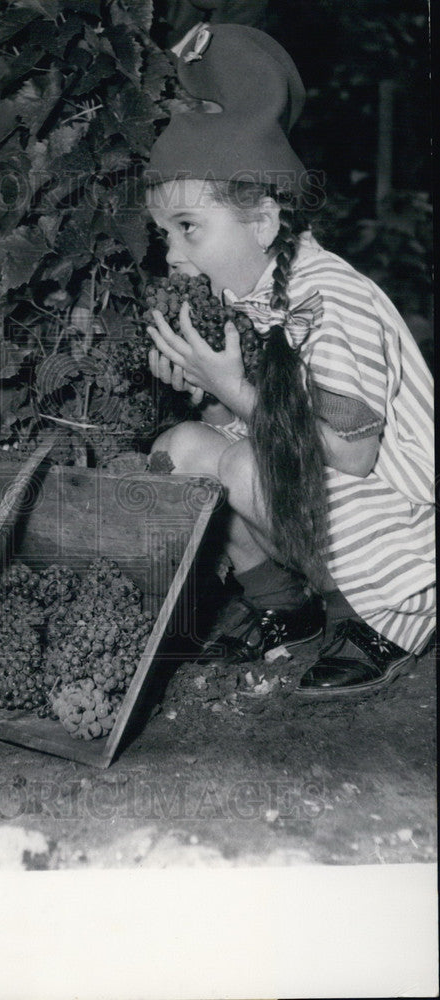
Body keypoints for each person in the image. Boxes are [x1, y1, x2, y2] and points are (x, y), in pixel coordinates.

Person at [144, 24, 435, 697]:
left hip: (402, 520)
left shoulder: (327, 302)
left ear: (263, 222)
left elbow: (350, 452)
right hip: (331, 490)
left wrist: (235, 390)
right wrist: (205, 390)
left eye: (187, 227)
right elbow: (254, 417)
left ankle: (383, 616)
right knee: (183, 447)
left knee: (246, 461)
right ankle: (286, 605)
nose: (171, 252)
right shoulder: (256, 294)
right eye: (164, 233)